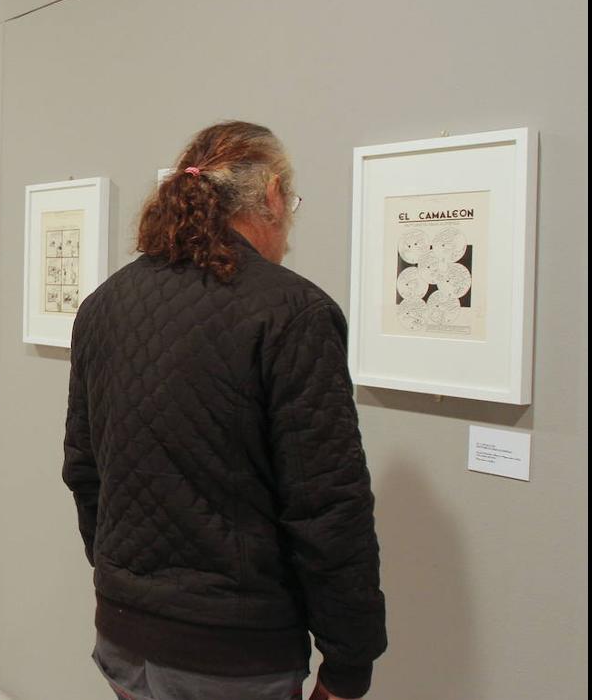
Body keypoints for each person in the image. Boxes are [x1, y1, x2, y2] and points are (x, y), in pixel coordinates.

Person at [62, 121, 386, 700]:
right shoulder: (292, 311)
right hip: (233, 655)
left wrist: (126, 585)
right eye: (293, 201)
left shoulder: (104, 304)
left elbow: (84, 471)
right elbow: (328, 507)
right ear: (271, 196)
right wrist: (349, 661)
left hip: (122, 635)